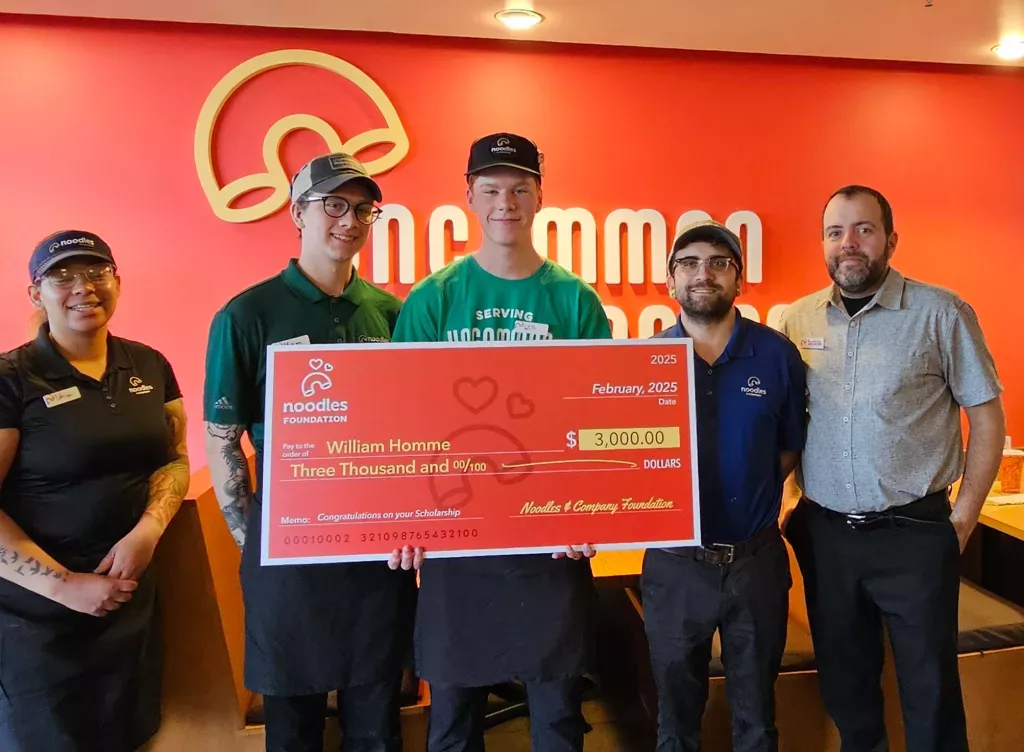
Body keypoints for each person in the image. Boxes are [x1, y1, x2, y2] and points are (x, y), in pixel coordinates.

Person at [387, 132, 612, 752]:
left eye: (519, 189)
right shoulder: (435, 298)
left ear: (540, 197)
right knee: (452, 722)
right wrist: (406, 519)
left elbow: (594, 422)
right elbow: (406, 419)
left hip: (550, 540)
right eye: (490, 189)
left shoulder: (574, 300)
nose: (504, 203)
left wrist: (588, 511)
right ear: (469, 197)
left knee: (559, 716)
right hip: (457, 539)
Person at [779, 185, 1005, 752]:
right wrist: (785, 500)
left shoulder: (940, 312)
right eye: (835, 232)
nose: (848, 244)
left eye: (863, 229)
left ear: (891, 239)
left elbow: (988, 418)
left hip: (916, 534)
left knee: (930, 691)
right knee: (847, 687)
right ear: (823, 243)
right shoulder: (799, 317)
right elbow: (784, 419)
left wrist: (962, 518)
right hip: (827, 535)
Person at [203, 153, 416, 752]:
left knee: (376, 718)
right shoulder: (246, 314)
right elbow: (222, 439)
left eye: (363, 209)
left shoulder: (391, 314)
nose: (349, 220)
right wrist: (255, 540)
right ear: (298, 212)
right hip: (286, 548)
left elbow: (412, 434)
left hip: (376, 552)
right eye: (334, 205)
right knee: (292, 721)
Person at [0, 230, 190, 751]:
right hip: (38, 621)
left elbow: (173, 460)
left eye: (96, 272)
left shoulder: (149, 365)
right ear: (36, 294)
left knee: (132, 734)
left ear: (117, 283)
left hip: (129, 603)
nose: (83, 287)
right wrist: (65, 586)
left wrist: (148, 531)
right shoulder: (11, 378)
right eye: (62, 276)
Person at [641, 221, 807, 752]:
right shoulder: (641, 362)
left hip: (755, 564)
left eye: (718, 263)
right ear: (671, 280)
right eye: (688, 263)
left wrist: (750, 486)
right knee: (675, 721)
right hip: (673, 566)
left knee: (757, 719)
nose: (702, 274)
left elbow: (789, 447)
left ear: (739, 278)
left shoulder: (777, 355)